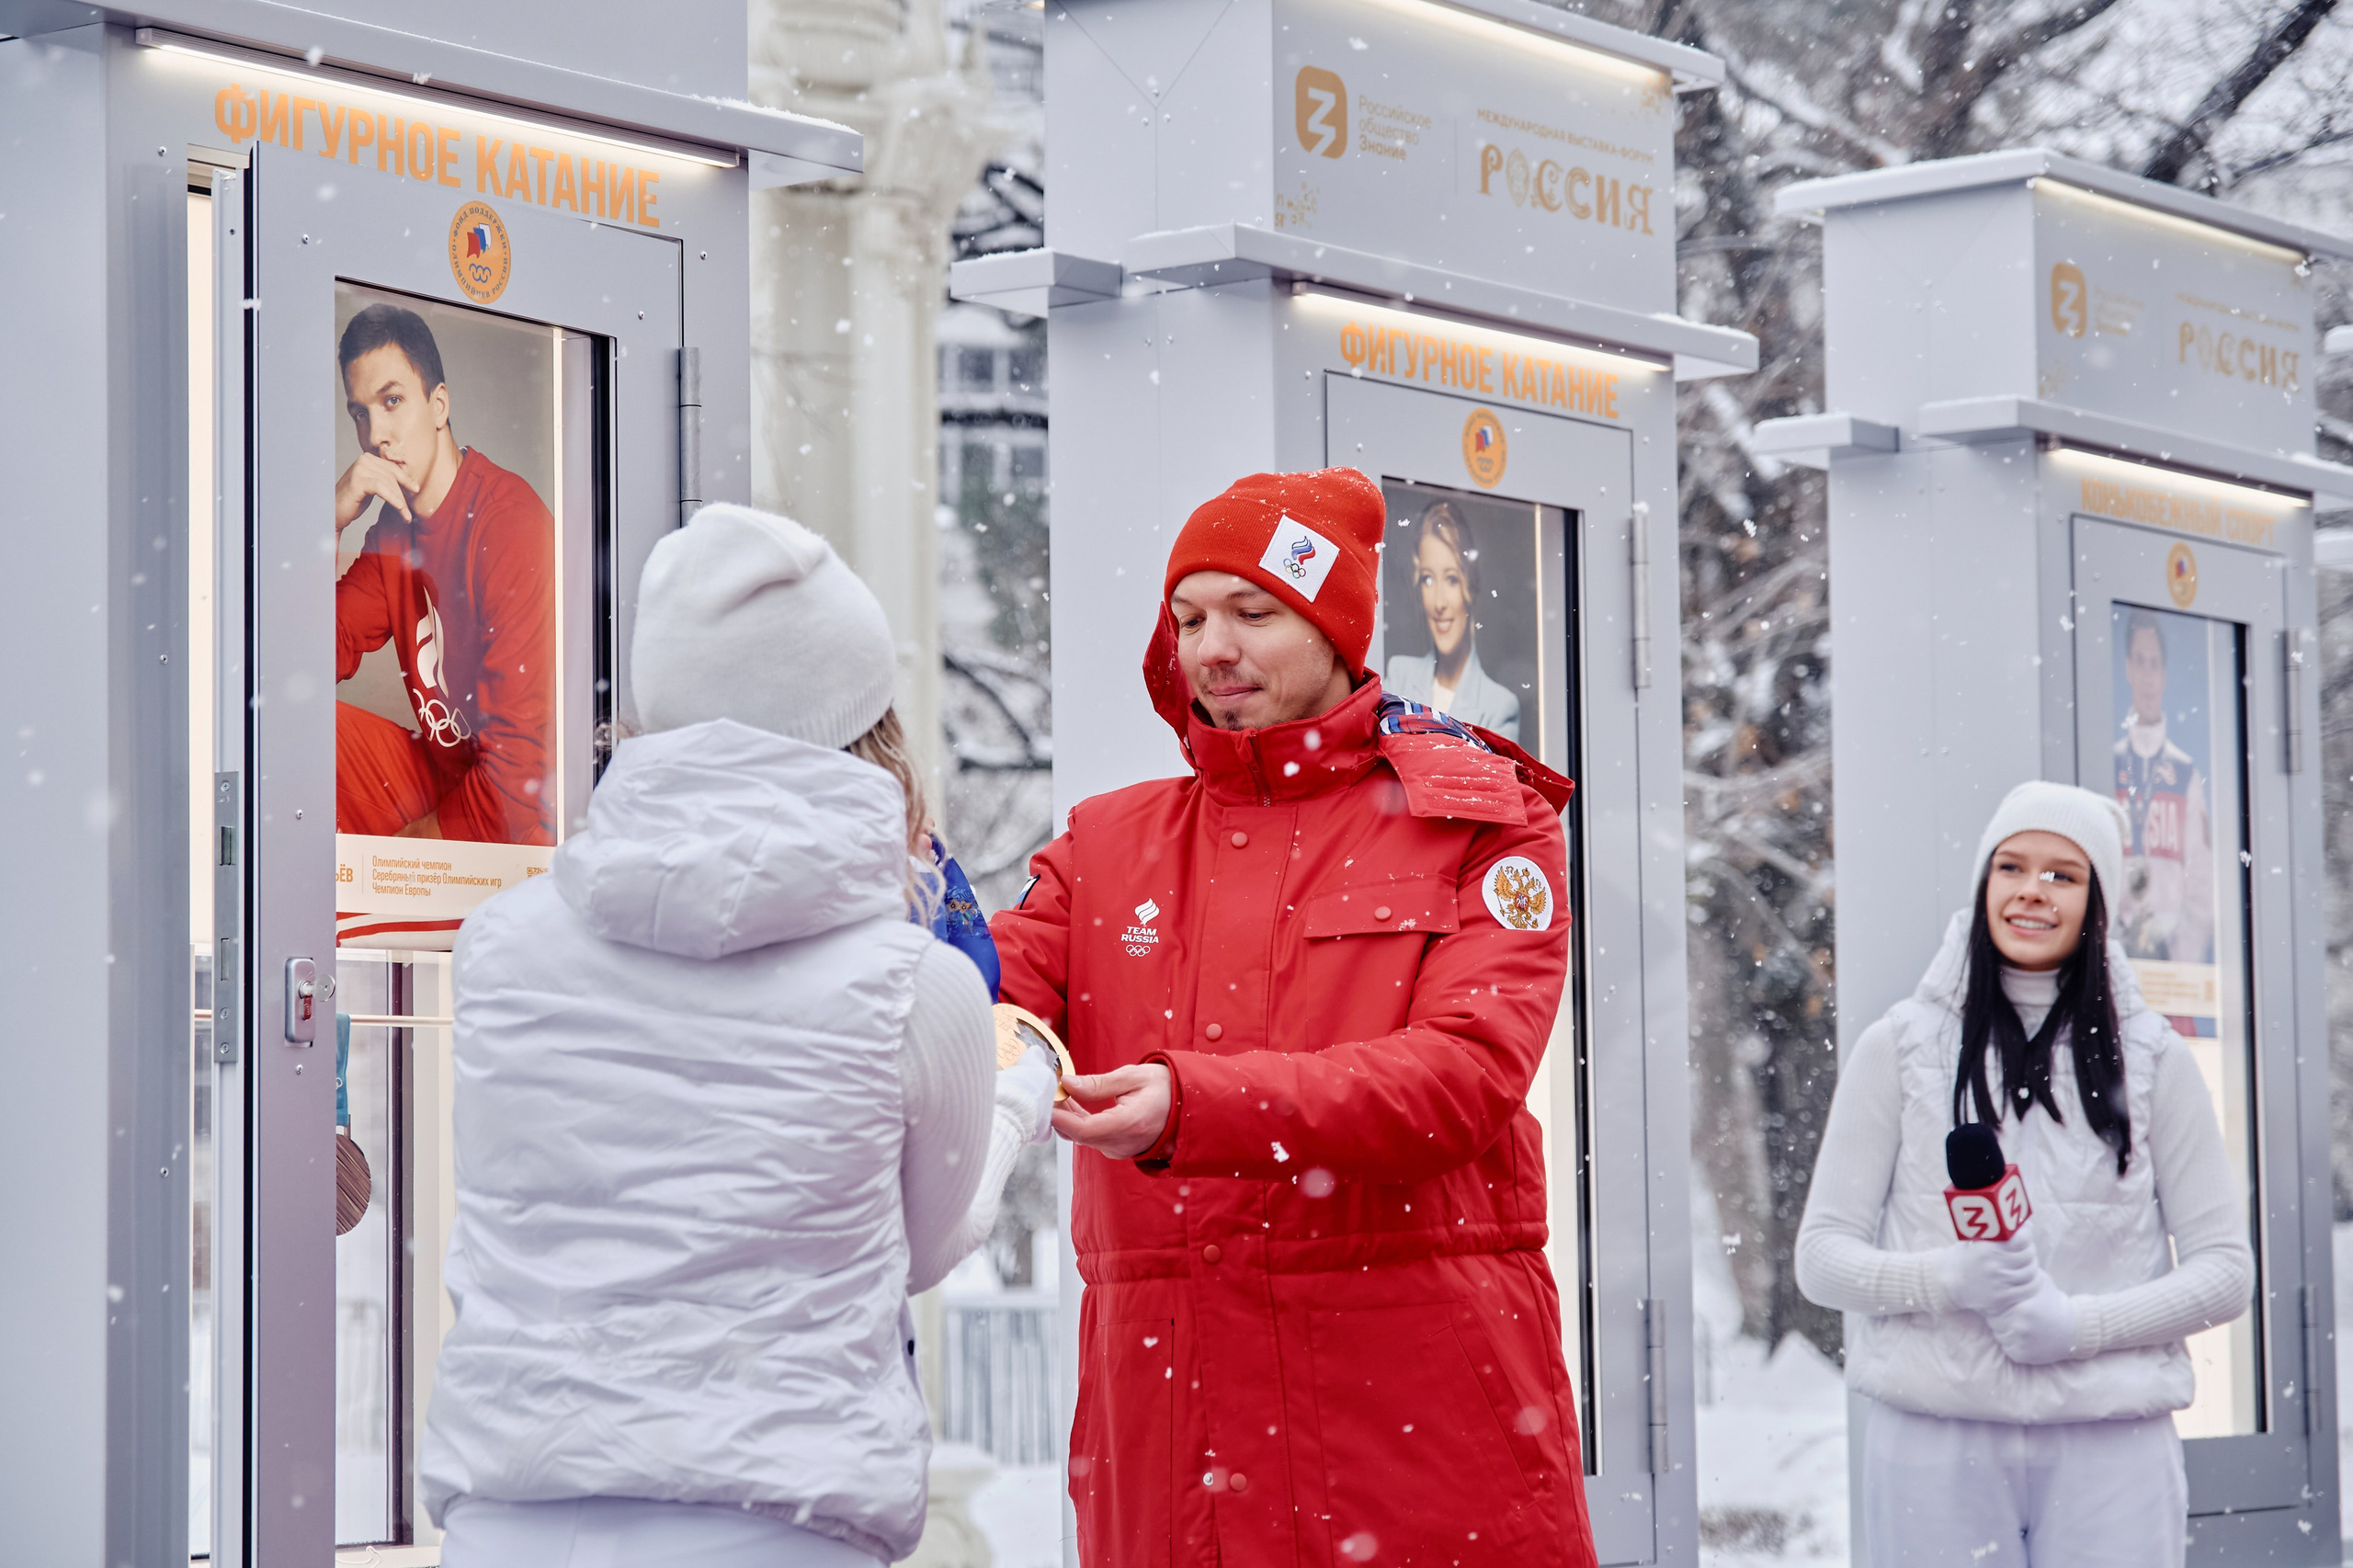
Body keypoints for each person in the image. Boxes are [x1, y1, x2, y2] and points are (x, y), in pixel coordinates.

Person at [420, 505, 1059, 1567]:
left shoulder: (502, 945)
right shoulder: (916, 982)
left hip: (515, 1524)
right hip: (772, 1524)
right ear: (873, 726)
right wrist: (1016, 1090)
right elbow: (925, 1241)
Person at [991, 469, 1596, 1566]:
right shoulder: (1104, 845)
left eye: (1254, 613)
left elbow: (1461, 1078)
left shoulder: (1481, 826)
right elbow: (985, 998)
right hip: (1174, 1436)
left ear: (1336, 628)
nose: (1211, 647)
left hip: (1413, 1420)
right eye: (1188, 617)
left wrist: (1197, 1102)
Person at [1794, 780, 2252, 1568]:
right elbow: (1822, 1257)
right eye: (2011, 867)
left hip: (2113, 1442)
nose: (2031, 892)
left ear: (2097, 902)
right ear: (1984, 886)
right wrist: (1945, 1278)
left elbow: (2225, 1273)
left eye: (2062, 875)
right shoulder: (1900, 1045)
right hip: (1935, 1443)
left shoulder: (2153, 1058)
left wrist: (2078, 1330)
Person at [334, 302, 556, 846]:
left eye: (391, 402)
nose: (375, 435)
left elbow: (519, 782)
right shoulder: (394, 527)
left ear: (438, 405)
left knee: (360, 886)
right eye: (360, 413)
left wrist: (399, 860)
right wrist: (330, 520)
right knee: (294, 728)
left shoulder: (511, 525)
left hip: (523, 834)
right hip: (451, 784)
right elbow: (300, 662)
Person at [2112, 611, 2215, 971]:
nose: (2147, 675)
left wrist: (2180, 965)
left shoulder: (2184, 772)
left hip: (2170, 967)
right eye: (2140, 662)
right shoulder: (2108, 766)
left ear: (2165, 675)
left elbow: (2202, 884)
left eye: (2154, 664)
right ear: (2128, 669)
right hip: (2114, 965)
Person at [1381, 498, 1520, 739]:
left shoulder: (1499, 708)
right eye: (1427, 579)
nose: (1439, 603)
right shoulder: (1399, 676)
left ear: (1471, 587)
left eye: (1452, 579)